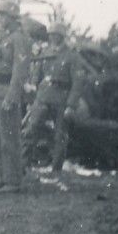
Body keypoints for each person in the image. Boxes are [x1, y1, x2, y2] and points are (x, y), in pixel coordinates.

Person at [22, 21, 84, 171]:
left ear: (62, 36)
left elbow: (77, 82)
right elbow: (37, 75)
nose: (53, 38)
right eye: (51, 35)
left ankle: (56, 169)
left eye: (56, 35)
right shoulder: (45, 53)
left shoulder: (72, 56)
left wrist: (71, 105)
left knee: (59, 135)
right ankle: (23, 165)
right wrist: (33, 93)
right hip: (43, 96)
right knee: (31, 128)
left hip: (61, 98)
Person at [0, 0, 31, 193]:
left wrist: (11, 97)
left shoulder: (18, 38)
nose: (0, 18)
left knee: (9, 139)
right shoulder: (3, 38)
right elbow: (0, 63)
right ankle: (3, 178)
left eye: (3, 15)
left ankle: (13, 181)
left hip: (7, 92)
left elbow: (19, 70)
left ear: (13, 17)